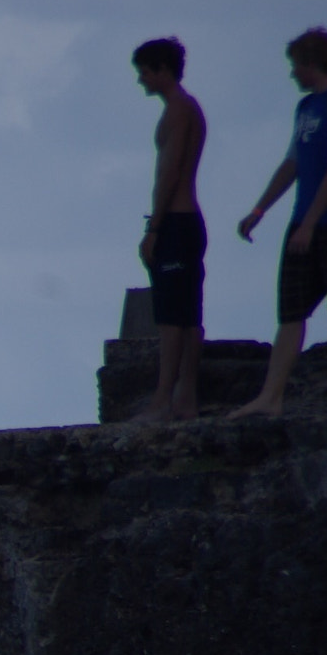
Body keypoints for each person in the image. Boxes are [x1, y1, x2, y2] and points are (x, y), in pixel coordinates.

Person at [231, 27, 327, 417]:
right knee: (290, 313)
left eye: (296, 65)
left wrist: (312, 222)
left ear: (312, 64)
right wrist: (259, 210)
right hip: (301, 224)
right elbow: (293, 162)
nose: (292, 73)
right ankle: (271, 398)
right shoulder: (304, 109)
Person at [132, 37, 207, 420]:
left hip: (177, 222)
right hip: (184, 222)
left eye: (144, 72)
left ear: (162, 69)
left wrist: (154, 228)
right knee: (188, 314)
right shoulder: (184, 108)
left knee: (172, 318)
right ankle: (185, 399)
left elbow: (171, 172)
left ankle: (164, 399)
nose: (141, 81)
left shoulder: (179, 110)